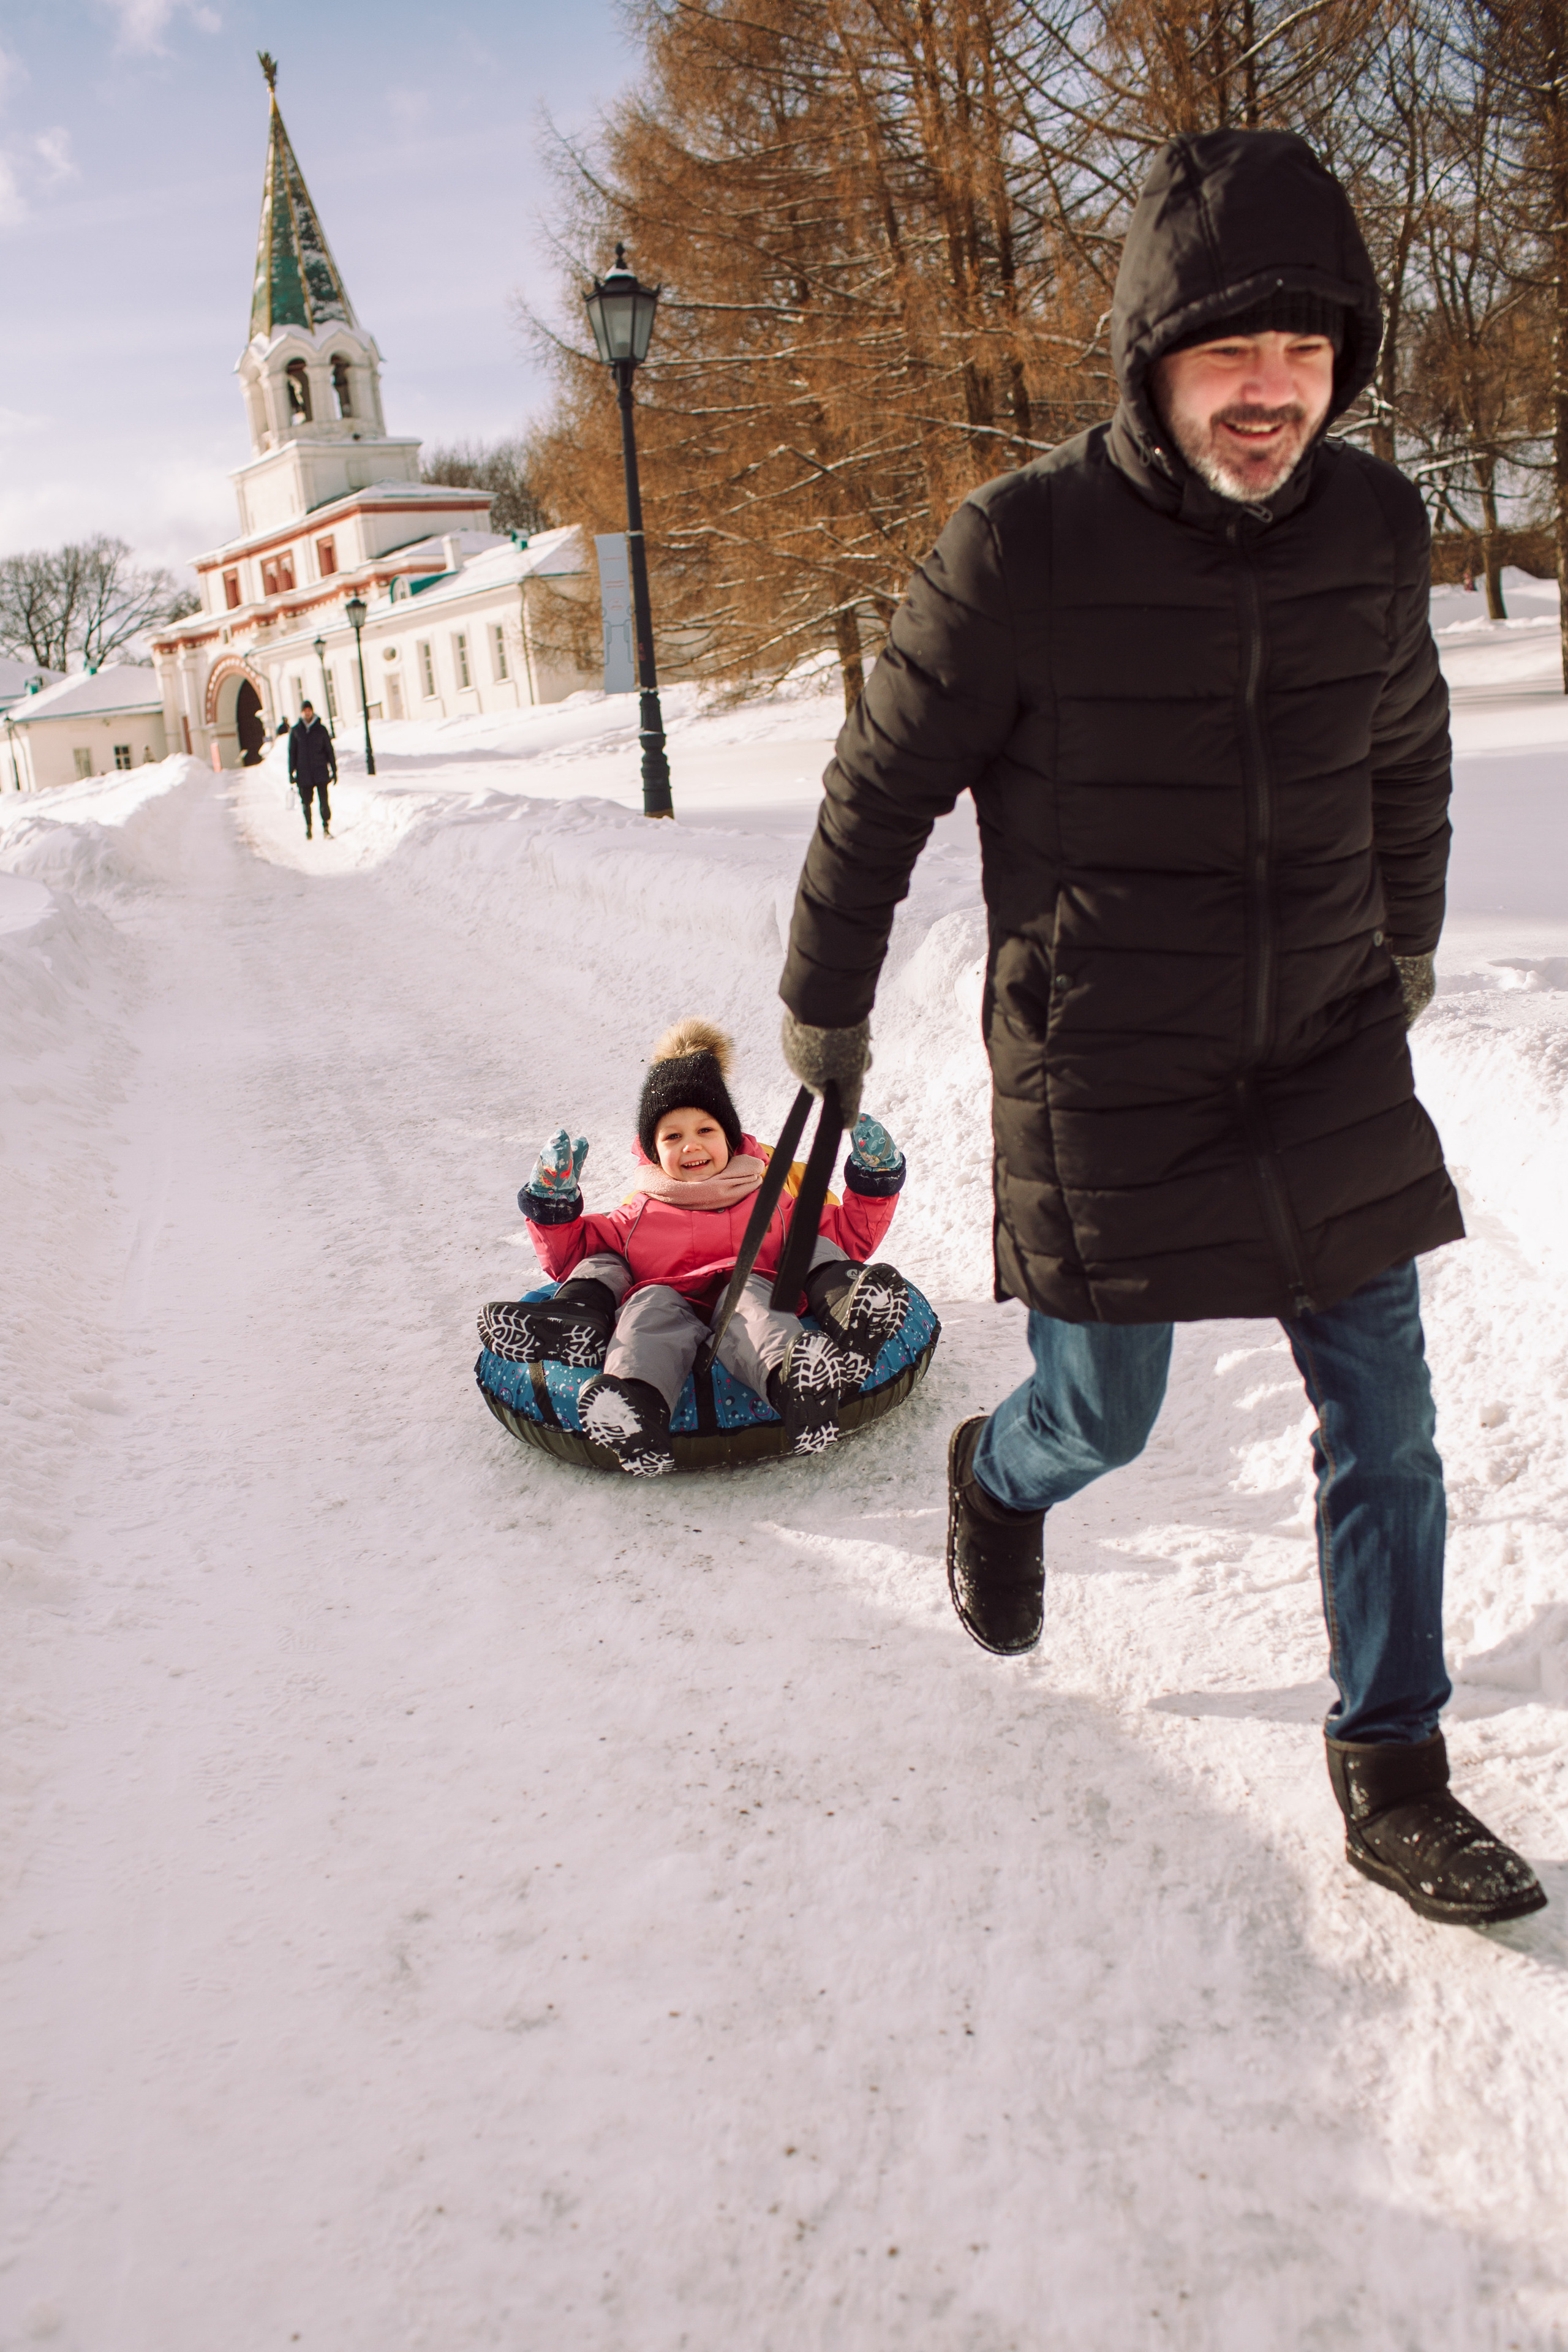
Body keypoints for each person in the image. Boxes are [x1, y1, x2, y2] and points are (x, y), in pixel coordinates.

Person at [776, 129, 1545, 1929]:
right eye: (1230, 351)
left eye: (1304, 351)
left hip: (1322, 1042)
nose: (1271, 391)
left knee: (1388, 1426)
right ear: (1151, 358)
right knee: (1100, 1415)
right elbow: (880, 784)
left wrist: (1407, 938)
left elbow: (1404, 744)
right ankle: (998, 1475)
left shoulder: (1372, 525)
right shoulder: (1020, 546)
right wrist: (824, 995)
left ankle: (1393, 1767)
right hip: (1107, 1062)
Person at [478, 1019, 909, 1474]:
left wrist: (875, 1180)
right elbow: (576, 1253)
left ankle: (799, 1386)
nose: (691, 1146)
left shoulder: (771, 1200)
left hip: (749, 1297)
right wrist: (554, 1204)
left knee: (753, 1303)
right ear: (653, 1151)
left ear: (730, 1139)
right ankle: (636, 1411)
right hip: (670, 1303)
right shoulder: (638, 1212)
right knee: (647, 1308)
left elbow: (843, 1235)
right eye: (672, 1136)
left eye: (706, 1130)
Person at [288, 700, 335, 839]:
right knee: (306, 803)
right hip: (304, 773)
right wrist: (291, 772)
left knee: (324, 801)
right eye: (305, 711)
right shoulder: (296, 731)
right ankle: (309, 828)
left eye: (309, 710)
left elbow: (329, 750)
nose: (307, 713)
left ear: (312, 711)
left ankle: (326, 828)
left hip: (320, 771)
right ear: (302, 713)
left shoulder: (321, 729)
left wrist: (334, 769)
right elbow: (292, 753)